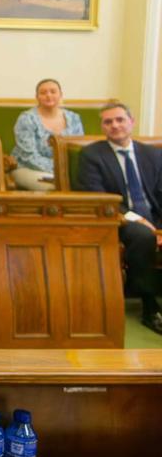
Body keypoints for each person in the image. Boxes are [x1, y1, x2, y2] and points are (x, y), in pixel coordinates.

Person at [76, 102, 162, 333]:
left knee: (148, 231)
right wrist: (136, 219)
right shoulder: (92, 155)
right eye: (108, 122)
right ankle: (150, 308)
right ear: (102, 127)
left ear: (131, 122)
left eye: (120, 120)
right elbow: (97, 198)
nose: (115, 125)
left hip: (155, 217)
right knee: (143, 235)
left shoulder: (153, 154)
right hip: (119, 220)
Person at [10, 78, 84, 191]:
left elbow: (78, 150)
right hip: (28, 168)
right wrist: (60, 170)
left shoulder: (74, 118)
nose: (48, 95)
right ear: (37, 97)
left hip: (65, 170)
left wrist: (68, 171)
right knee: (54, 187)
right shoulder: (27, 119)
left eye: (53, 92)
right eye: (43, 93)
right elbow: (28, 156)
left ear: (61, 95)